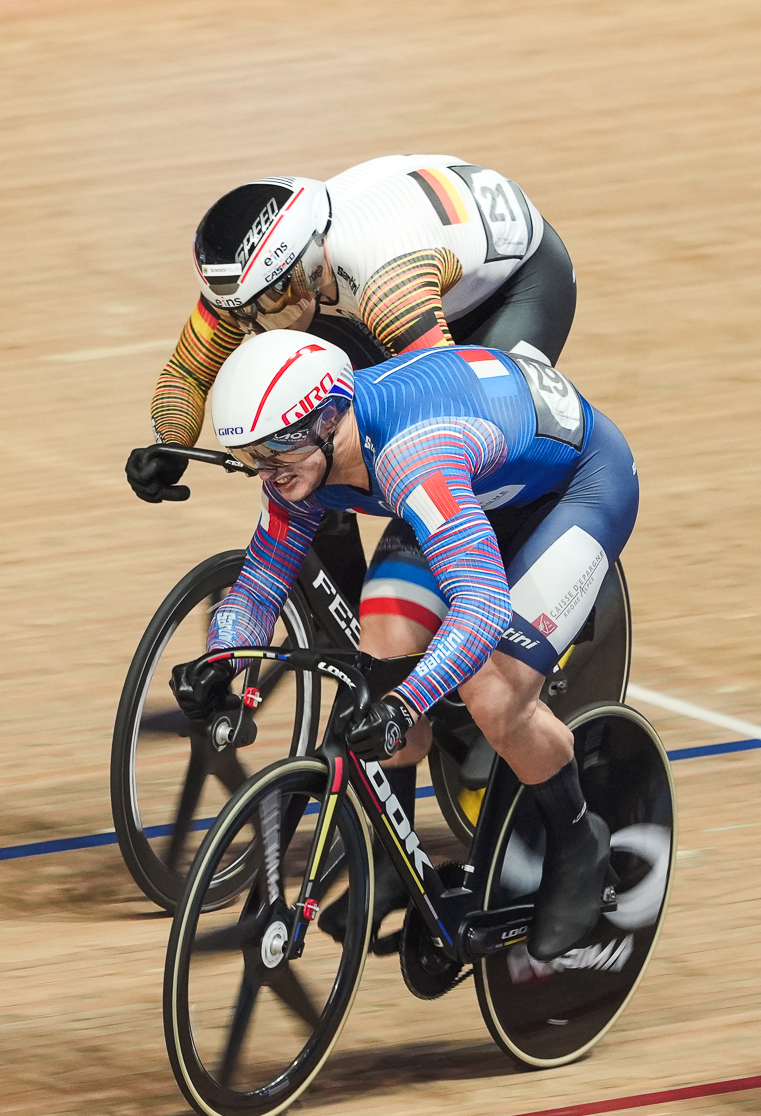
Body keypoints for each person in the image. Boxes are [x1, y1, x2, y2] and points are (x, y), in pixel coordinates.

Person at [167, 329, 636, 961]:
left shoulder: (411, 454)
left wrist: (407, 703)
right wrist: (219, 661)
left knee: (492, 693)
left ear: (330, 418)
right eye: (254, 455)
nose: (267, 471)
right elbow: (260, 584)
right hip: (477, 487)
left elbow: (482, 608)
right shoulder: (300, 460)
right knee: (380, 646)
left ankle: (579, 839)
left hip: (576, 486)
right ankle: (400, 856)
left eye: (277, 448)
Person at [125, 156, 578, 606]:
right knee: (310, 443)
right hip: (370, 297)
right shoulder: (248, 288)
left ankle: (506, 600)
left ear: (310, 262)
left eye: (270, 301)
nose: (259, 322)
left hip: (515, 290)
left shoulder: (384, 280)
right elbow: (187, 372)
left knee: (459, 445)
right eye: (243, 312)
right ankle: (353, 640)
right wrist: (170, 443)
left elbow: (450, 402)